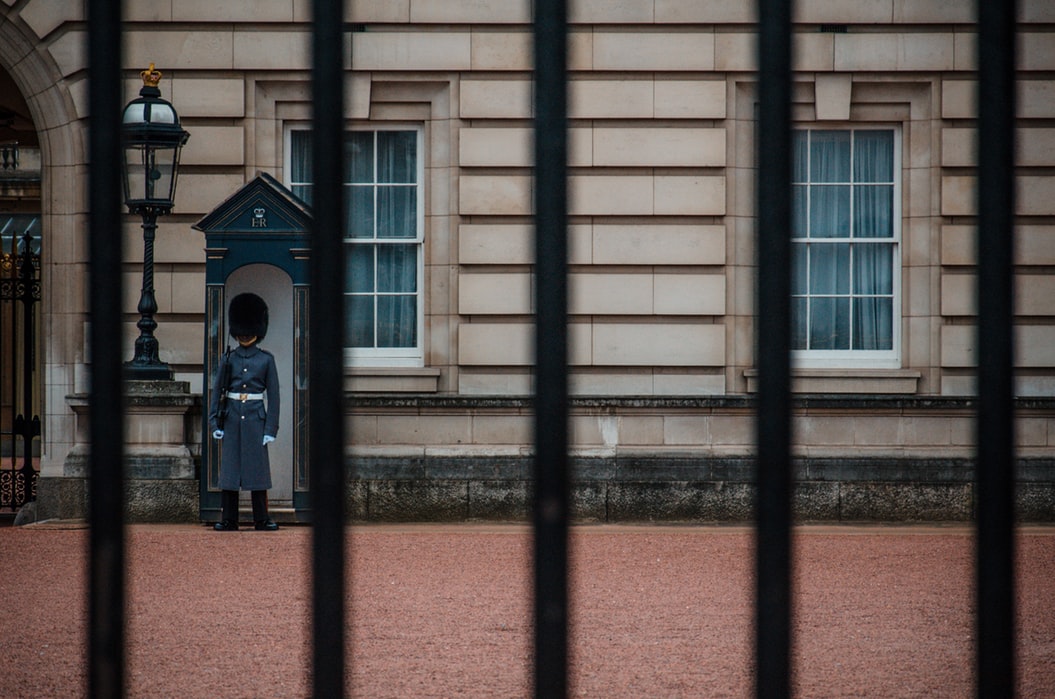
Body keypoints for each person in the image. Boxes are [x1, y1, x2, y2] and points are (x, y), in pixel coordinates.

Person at [208, 292, 280, 531]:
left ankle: (262, 518)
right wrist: (214, 423)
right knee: (230, 472)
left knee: (257, 471)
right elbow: (217, 391)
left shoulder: (266, 360)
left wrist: (270, 428)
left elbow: (275, 396)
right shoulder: (229, 358)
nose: (245, 334)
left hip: (255, 419)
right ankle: (229, 518)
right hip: (231, 417)